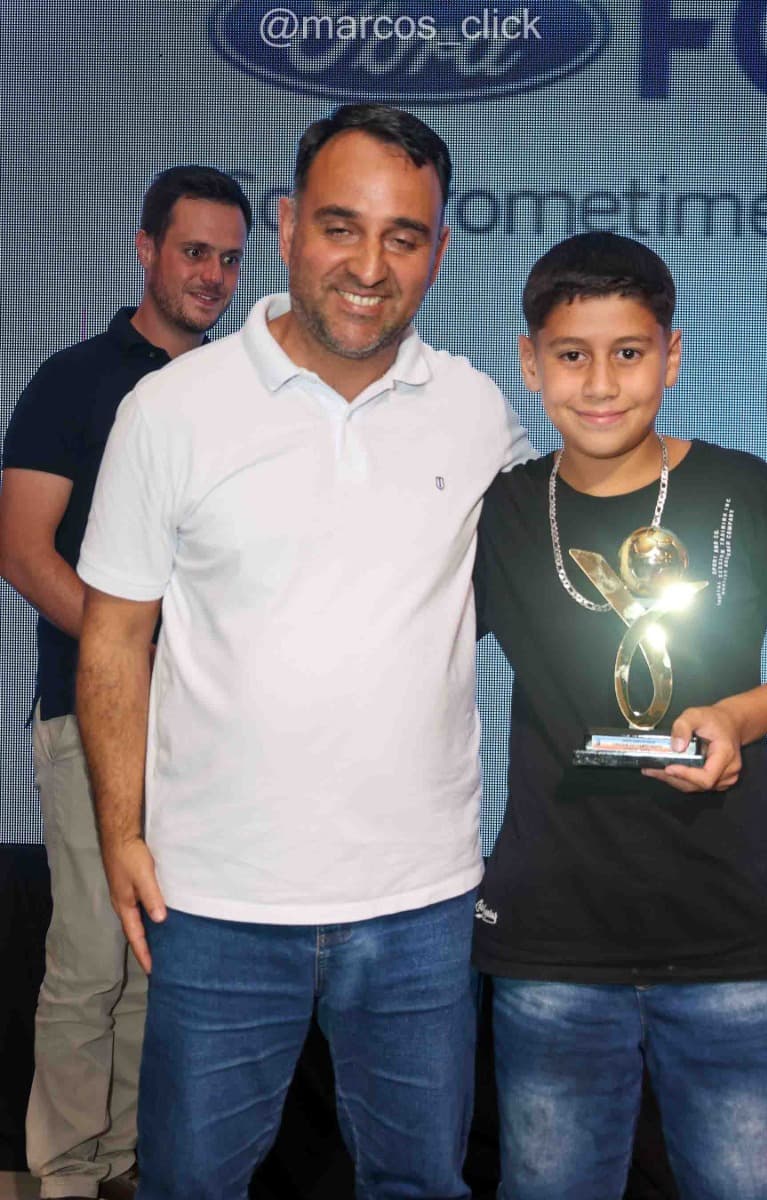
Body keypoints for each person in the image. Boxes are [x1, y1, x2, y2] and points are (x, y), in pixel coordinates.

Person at [73, 104, 531, 1200]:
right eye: (340, 227)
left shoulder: (474, 410)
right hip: (216, 902)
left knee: (420, 1185)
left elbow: (541, 576)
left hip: (421, 902)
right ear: (286, 227)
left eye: (402, 237)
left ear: (439, 250)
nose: (369, 267)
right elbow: (114, 635)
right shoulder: (168, 410)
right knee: (190, 1186)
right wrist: (121, 832)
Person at [473, 231, 767, 1200]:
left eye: (628, 352)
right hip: (552, 948)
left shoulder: (742, 488)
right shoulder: (503, 514)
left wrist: (740, 716)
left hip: (732, 941)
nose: (601, 384)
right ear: (531, 363)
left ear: (672, 355)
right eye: (571, 355)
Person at [0, 165, 252, 1200]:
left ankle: (125, 1166)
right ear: (145, 250)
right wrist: (133, 655)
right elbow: (23, 551)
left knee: (162, 964)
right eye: (194, 251)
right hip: (91, 715)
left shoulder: (241, 392)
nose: (213, 276)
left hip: (203, 734)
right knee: (90, 961)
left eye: (229, 259)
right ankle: (67, 1174)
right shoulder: (75, 379)